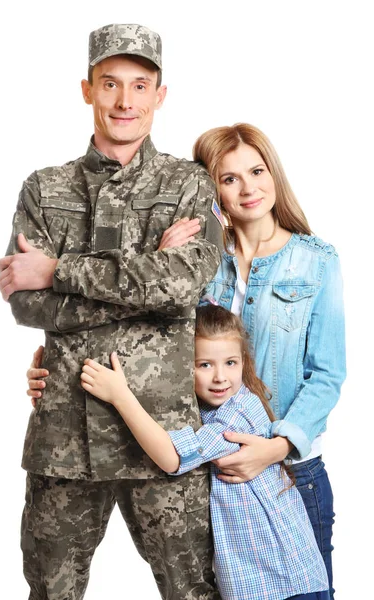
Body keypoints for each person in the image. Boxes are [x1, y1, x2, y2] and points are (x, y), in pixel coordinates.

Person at [0, 23, 224, 600]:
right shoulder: (44, 189)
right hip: (64, 440)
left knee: (193, 590)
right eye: (111, 84)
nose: (125, 101)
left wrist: (59, 270)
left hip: (164, 436)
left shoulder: (188, 183)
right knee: (50, 592)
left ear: (160, 96)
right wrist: (149, 283)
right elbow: (25, 302)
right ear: (87, 89)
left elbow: (187, 285)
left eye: (140, 86)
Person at [160, 123, 345, 599]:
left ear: (273, 173)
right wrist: (163, 261)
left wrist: (277, 446)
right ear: (211, 189)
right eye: (229, 178)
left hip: (291, 476)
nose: (248, 188)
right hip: (211, 478)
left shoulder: (316, 260)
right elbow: (157, 345)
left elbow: (326, 375)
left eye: (257, 171)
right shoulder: (200, 263)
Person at [77, 303, 330, 600]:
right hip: (264, 575)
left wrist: (121, 396)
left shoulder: (235, 416)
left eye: (231, 363)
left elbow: (172, 457)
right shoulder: (210, 409)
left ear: (244, 361)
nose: (220, 377)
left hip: (278, 578)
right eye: (205, 364)